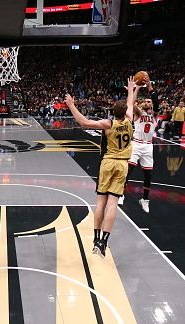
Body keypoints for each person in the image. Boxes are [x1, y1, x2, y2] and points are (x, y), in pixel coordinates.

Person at [65, 76, 138, 258]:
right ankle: (104, 241)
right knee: (113, 204)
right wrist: (131, 90)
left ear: (112, 111)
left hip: (108, 162)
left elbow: (84, 122)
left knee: (101, 202)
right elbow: (130, 103)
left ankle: (96, 238)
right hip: (123, 164)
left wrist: (71, 105)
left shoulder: (108, 124)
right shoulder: (129, 121)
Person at [122, 77, 158, 213]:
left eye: (150, 101)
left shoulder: (155, 115)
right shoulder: (138, 113)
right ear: (143, 104)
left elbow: (157, 102)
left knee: (148, 175)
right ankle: (120, 194)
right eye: (146, 101)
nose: (149, 102)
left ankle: (145, 199)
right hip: (136, 144)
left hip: (148, 146)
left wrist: (149, 86)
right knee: (129, 170)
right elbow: (130, 103)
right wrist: (135, 89)